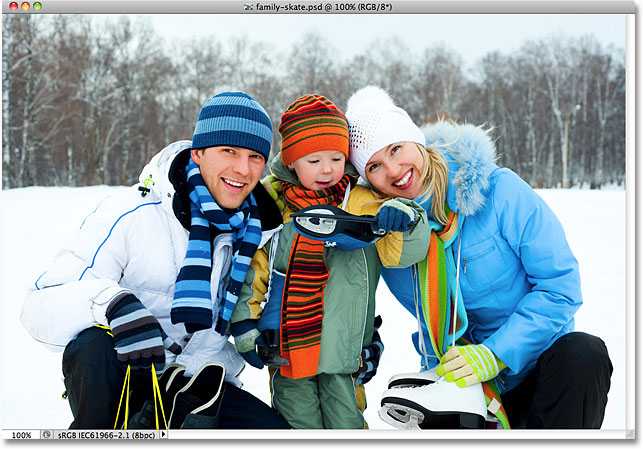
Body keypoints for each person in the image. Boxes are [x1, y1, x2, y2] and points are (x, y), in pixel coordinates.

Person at [343, 86, 613, 429]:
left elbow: (561, 287)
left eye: (396, 148)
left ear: (415, 140)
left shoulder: (499, 190)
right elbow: (349, 293)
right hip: (460, 381)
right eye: (375, 165)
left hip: (540, 367)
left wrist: (494, 353)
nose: (395, 170)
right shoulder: (389, 236)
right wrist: (358, 350)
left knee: (585, 353)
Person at [21, 92, 291, 430]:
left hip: (198, 384)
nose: (243, 168)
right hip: (129, 377)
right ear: (198, 153)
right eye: (229, 151)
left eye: (255, 156)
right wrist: (112, 304)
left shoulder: (259, 231)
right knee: (94, 345)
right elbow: (38, 306)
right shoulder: (133, 214)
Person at [228, 94, 430, 429]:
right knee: (296, 426)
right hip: (288, 349)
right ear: (291, 162)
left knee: (347, 426)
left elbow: (403, 253)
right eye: (313, 160)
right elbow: (253, 270)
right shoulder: (273, 208)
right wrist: (245, 326)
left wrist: (405, 217)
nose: (327, 169)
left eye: (337, 158)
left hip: (346, 354)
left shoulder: (363, 202)